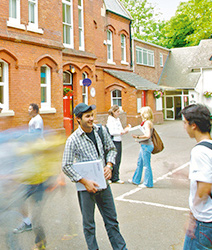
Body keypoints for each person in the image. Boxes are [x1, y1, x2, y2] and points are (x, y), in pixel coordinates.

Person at [62, 103, 127, 250]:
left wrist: (109, 165)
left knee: (112, 222)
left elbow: (111, 149)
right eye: (87, 116)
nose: (91, 119)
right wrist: (84, 182)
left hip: (104, 184)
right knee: (89, 225)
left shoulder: (101, 131)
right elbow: (66, 166)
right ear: (78, 119)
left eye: (92, 115)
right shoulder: (73, 140)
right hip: (87, 189)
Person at [181, 104, 212, 250]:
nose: (184, 127)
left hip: (204, 222)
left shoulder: (199, 151)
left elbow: (204, 187)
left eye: (185, 123)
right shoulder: (210, 146)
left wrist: (192, 216)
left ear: (193, 125)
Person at [129, 106, 154, 188]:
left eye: (141, 113)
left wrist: (138, 136)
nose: (140, 115)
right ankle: (136, 179)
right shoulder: (148, 122)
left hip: (146, 146)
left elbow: (147, 135)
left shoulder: (147, 123)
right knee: (140, 163)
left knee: (146, 165)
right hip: (144, 145)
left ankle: (148, 183)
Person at [106, 105, 130, 184]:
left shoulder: (117, 119)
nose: (119, 113)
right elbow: (112, 132)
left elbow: (120, 129)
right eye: (117, 112)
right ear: (113, 112)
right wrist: (121, 132)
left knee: (118, 159)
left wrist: (124, 130)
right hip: (113, 141)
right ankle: (109, 177)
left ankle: (115, 177)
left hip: (118, 140)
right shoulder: (110, 120)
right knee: (112, 159)